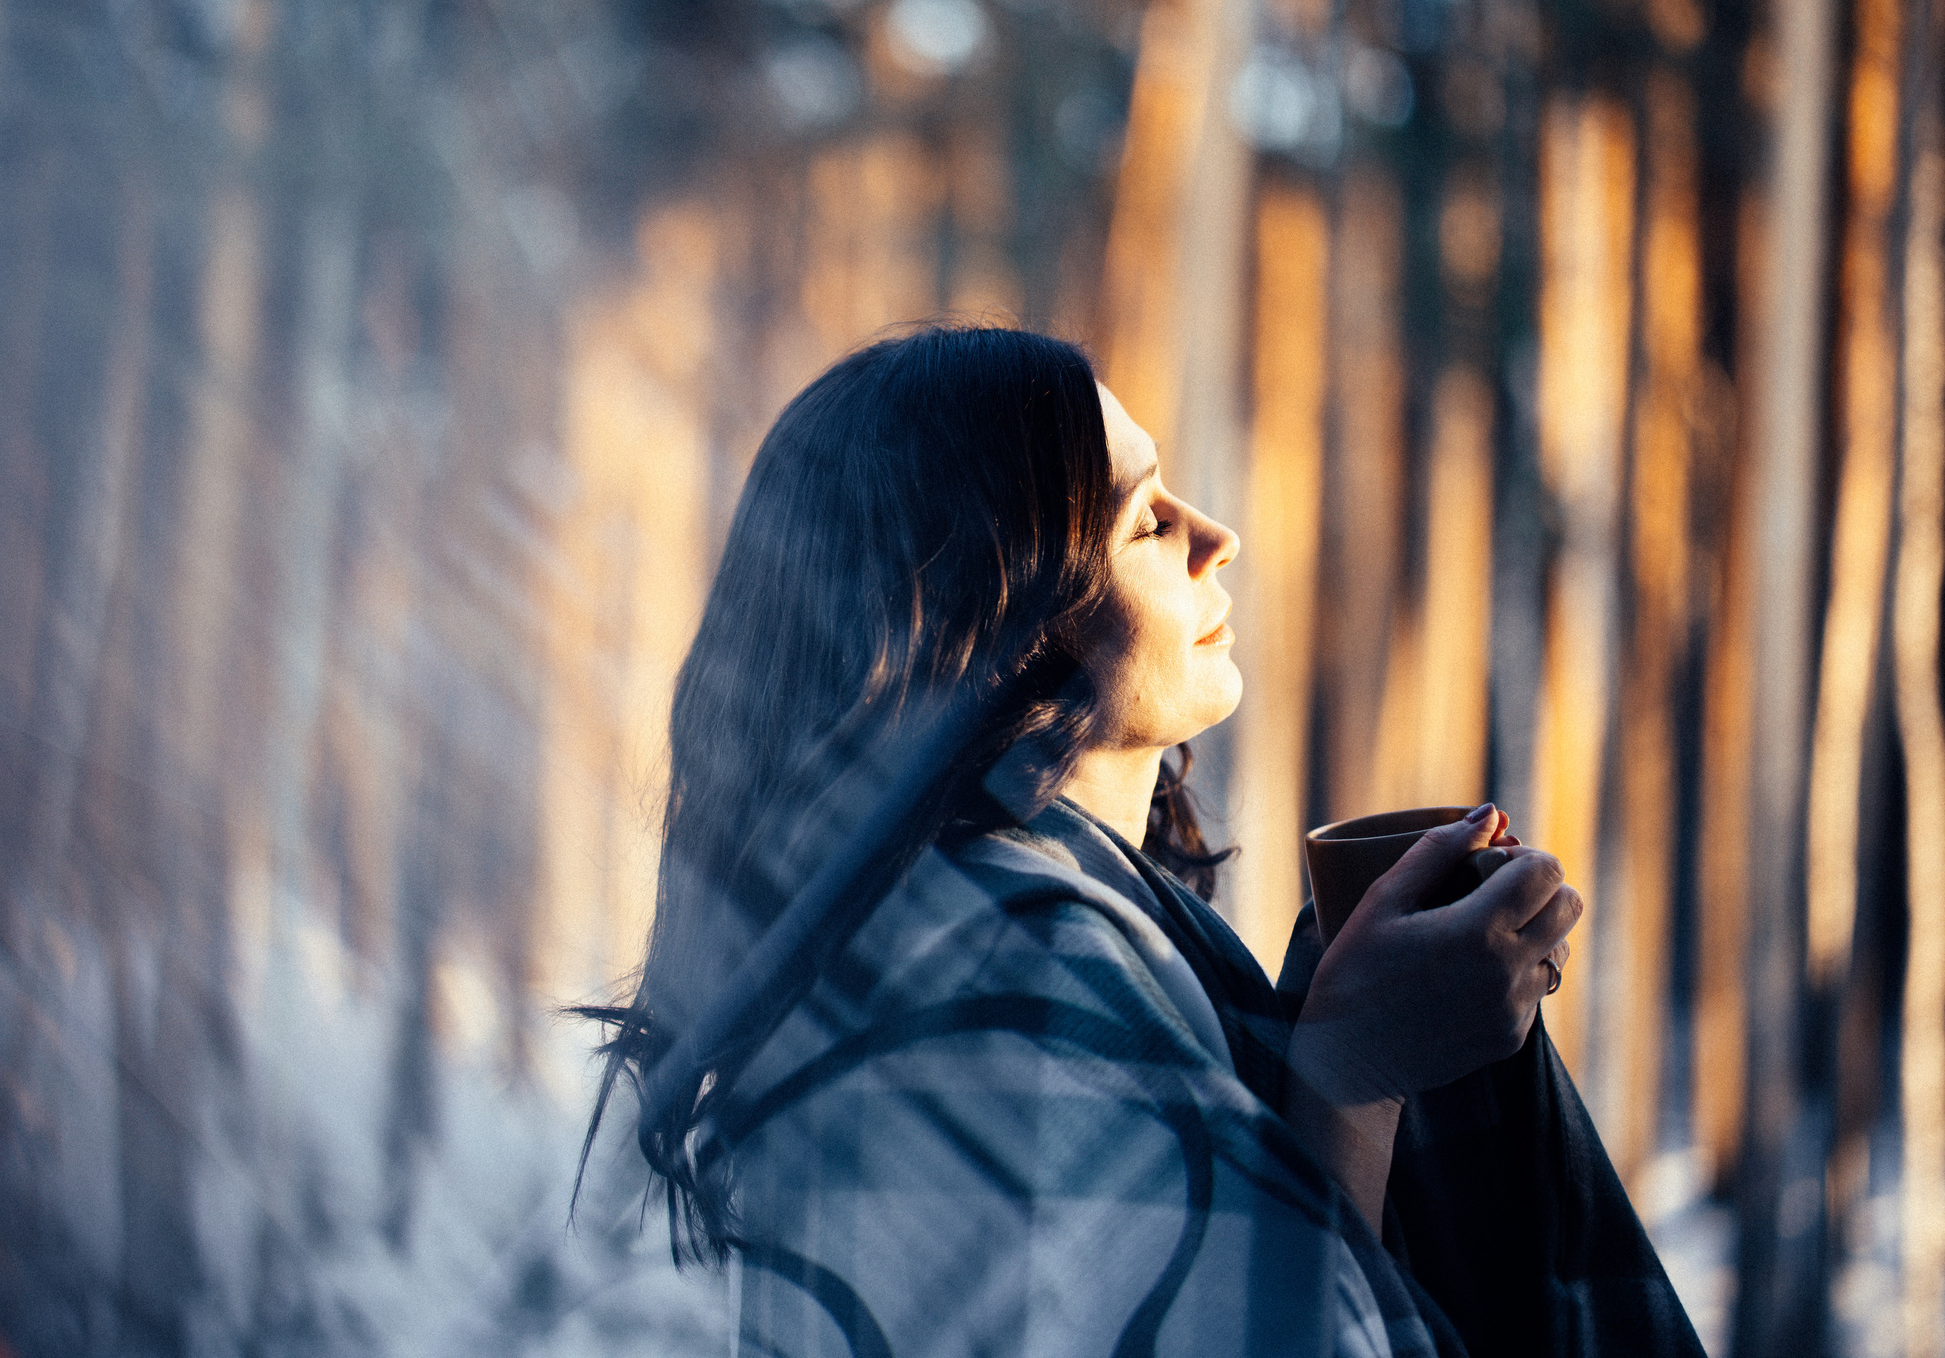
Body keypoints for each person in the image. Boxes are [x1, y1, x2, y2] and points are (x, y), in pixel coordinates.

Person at [581, 326, 1699, 1358]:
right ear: (984, 616)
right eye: (1144, 521)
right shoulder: (988, 957)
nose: (1217, 536)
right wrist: (1359, 1066)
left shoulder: (973, 918)